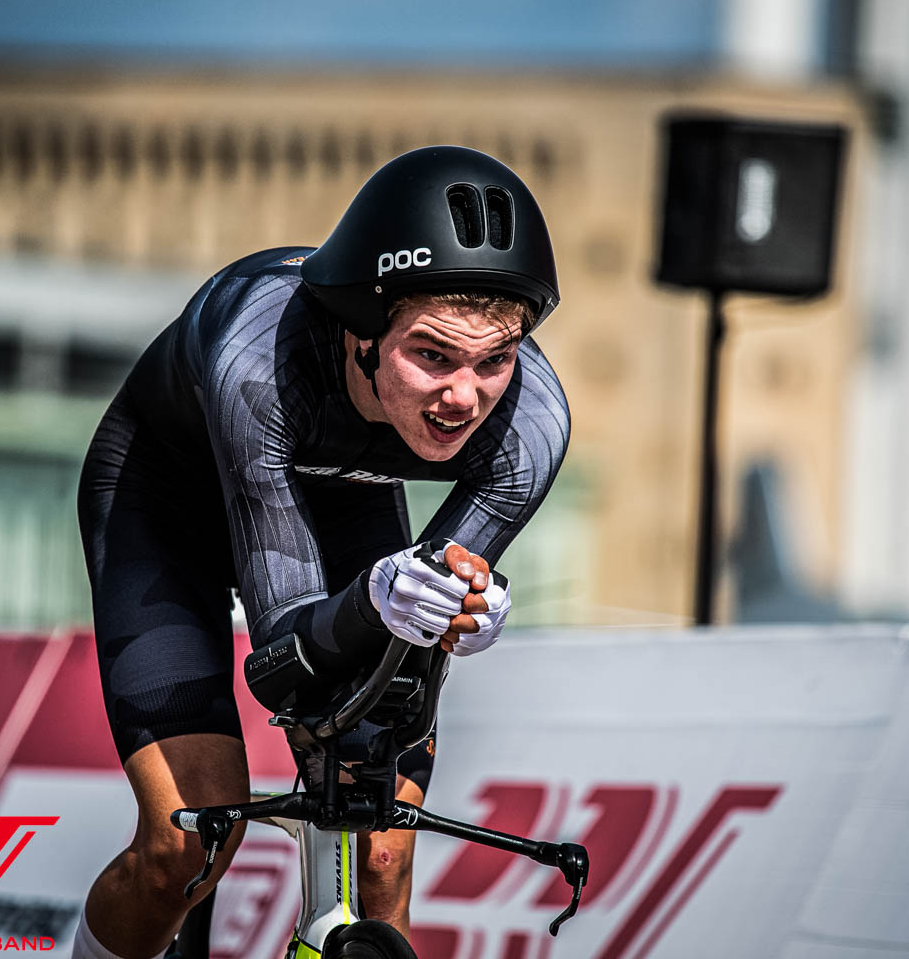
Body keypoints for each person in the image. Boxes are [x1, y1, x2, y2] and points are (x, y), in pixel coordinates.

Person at [72, 145, 571, 959]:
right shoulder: (258, 355)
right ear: (360, 331)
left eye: (494, 360)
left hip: (342, 501)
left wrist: (459, 607)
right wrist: (380, 601)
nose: (464, 396)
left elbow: (420, 616)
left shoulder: (533, 423)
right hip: (166, 505)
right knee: (186, 845)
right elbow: (285, 665)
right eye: (432, 354)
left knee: (382, 851)